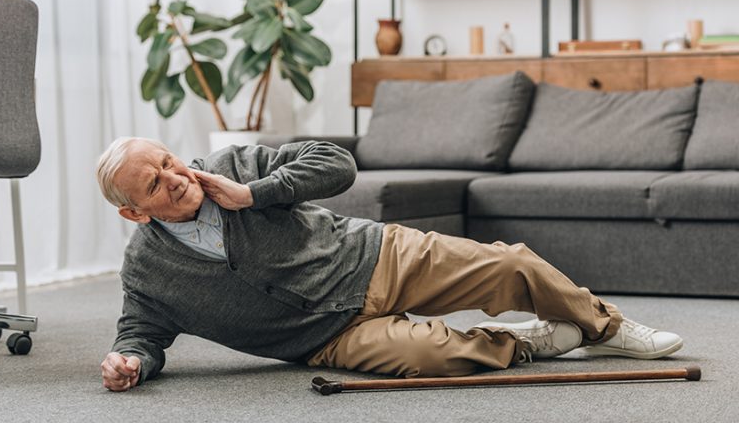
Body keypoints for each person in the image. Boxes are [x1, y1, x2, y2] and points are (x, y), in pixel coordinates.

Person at [96, 137, 683, 392]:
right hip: (326, 338)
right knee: (435, 356)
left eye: (169, 161)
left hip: (375, 257)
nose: (177, 179)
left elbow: (336, 163)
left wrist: (256, 193)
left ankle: (604, 328)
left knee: (508, 266)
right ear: (133, 213)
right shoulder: (149, 272)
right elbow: (142, 331)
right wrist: (132, 361)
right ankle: (523, 344)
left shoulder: (233, 164)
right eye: (155, 183)